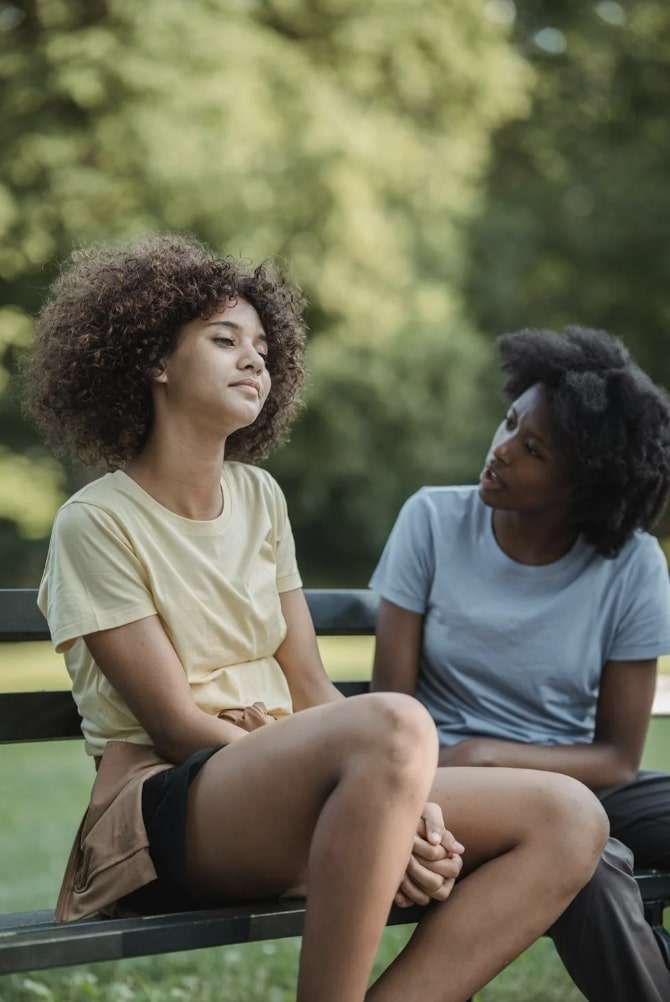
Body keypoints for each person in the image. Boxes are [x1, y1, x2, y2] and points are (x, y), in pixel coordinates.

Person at [27, 238, 608, 1002]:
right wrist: (376, 787)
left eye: (264, 348)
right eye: (224, 340)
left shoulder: (262, 500)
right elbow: (172, 723)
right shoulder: (95, 523)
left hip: (298, 777)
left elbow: (309, 684)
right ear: (154, 362)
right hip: (172, 806)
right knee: (396, 723)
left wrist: (402, 802)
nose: (253, 361)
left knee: (569, 816)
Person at [371, 325, 670, 1002]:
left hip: (577, 777)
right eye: (509, 423)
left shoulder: (631, 566)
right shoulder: (431, 522)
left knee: (588, 828)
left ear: (583, 483)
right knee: (589, 861)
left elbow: (619, 758)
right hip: (449, 786)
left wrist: (494, 754)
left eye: (531, 449)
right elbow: (386, 709)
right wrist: (470, 763)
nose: (500, 451)